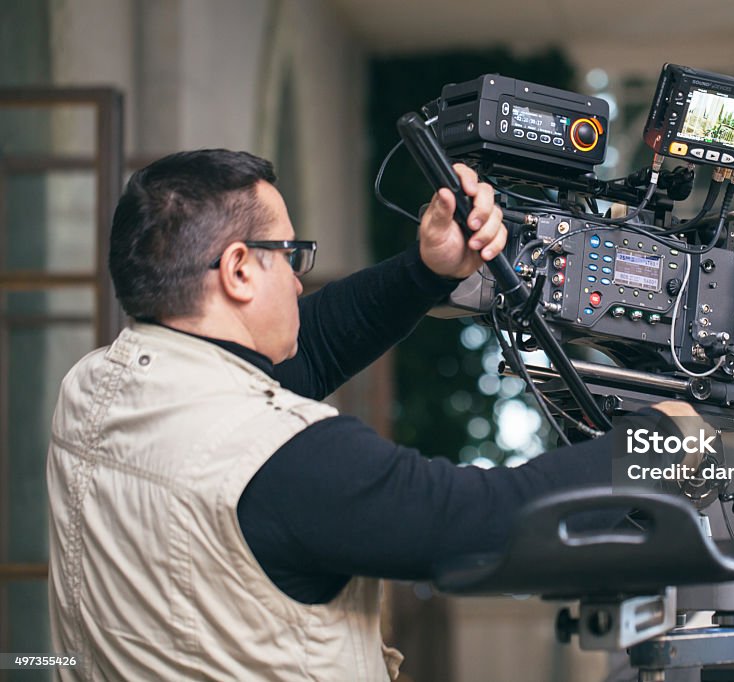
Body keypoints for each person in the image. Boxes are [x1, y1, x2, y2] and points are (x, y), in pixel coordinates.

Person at [46, 149, 696, 680]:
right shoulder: (284, 462)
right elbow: (486, 523)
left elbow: (309, 346)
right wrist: (660, 441)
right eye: (292, 255)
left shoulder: (96, 389)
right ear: (239, 270)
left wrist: (428, 269)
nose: (301, 281)